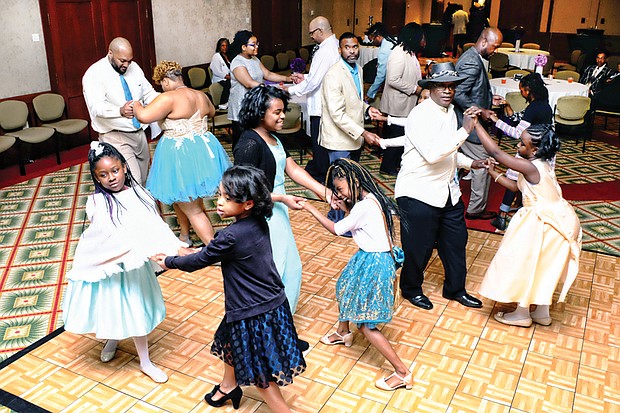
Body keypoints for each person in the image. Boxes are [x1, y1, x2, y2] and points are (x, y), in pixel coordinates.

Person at [152, 165, 305, 412]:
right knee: (229, 340)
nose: (219, 203)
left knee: (260, 374)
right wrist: (187, 252)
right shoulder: (258, 221)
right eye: (220, 195)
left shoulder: (231, 235)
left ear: (247, 204)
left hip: (252, 310)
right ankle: (228, 386)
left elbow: (200, 261)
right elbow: (212, 252)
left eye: (227, 198)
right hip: (269, 303)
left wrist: (169, 261)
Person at [62, 142, 186, 383]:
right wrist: (140, 247)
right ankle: (113, 338)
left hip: (134, 267)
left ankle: (145, 361)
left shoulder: (140, 194)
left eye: (116, 170)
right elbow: (108, 233)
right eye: (104, 175)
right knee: (113, 307)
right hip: (113, 264)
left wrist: (172, 248)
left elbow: (154, 224)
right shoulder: (97, 202)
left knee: (135, 309)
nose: (112, 178)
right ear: (96, 177)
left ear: (125, 168)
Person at [371, 62, 487, 311]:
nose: (447, 91)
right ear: (431, 88)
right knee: (418, 247)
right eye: (441, 86)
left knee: (456, 242)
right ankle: (411, 289)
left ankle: (456, 289)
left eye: (451, 86)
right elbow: (433, 154)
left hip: (447, 191)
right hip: (417, 192)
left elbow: (449, 152)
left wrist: (471, 162)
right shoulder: (420, 115)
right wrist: (465, 132)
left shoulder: (452, 112)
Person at [302, 158, 412, 391]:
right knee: (346, 286)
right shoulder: (371, 199)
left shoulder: (363, 207)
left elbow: (336, 229)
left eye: (340, 189)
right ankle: (343, 332)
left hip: (375, 262)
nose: (339, 195)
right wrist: (344, 207)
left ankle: (402, 372)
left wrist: (311, 208)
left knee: (366, 324)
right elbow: (357, 223)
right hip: (370, 257)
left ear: (354, 182)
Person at [233, 86, 330, 320]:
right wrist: (281, 198)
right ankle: (269, 329)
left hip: (277, 208)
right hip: (262, 213)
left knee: (291, 270)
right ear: (259, 113)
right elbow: (243, 191)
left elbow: (291, 168)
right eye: (277, 112)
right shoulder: (249, 144)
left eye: (283, 110)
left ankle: (282, 325)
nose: (283, 116)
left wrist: (324, 192)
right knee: (273, 272)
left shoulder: (273, 137)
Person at [473, 122, 582, 328]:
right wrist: (492, 173)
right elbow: (516, 187)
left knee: (524, 262)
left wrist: (476, 125)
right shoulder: (541, 164)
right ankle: (542, 312)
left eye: (522, 144)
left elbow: (496, 151)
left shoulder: (531, 166)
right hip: (560, 220)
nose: (518, 147)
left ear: (535, 149)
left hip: (544, 221)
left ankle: (521, 313)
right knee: (544, 266)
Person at [133, 60, 231, 246]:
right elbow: (210, 112)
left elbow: (144, 116)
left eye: (161, 84)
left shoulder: (169, 98)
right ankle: (184, 237)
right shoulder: (200, 95)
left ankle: (215, 251)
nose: (162, 88)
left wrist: (136, 104)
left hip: (181, 154)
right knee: (181, 198)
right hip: (203, 151)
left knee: (193, 207)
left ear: (166, 81)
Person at [320, 32, 382, 226]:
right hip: (339, 139)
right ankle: (338, 221)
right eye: (347, 47)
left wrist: (368, 108)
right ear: (340, 50)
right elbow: (337, 114)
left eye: (355, 47)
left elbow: (355, 100)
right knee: (340, 183)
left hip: (354, 138)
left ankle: (351, 218)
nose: (352, 51)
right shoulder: (333, 74)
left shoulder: (359, 69)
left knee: (353, 181)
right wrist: (364, 133)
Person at [83, 37, 159, 186]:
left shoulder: (134, 68)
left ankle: (142, 207)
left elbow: (148, 93)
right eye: (122, 61)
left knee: (144, 179)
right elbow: (96, 107)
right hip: (115, 135)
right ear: (110, 53)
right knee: (133, 180)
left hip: (139, 132)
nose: (126, 65)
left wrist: (168, 100)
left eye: (129, 61)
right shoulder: (94, 73)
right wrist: (120, 110)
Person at [487, 73, 553, 230]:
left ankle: (502, 216)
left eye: (521, 90)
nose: (521, 93)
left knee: (514, 180)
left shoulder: (534, 107)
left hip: (530, 150)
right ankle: (524, 209)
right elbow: (522, 118)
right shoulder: (544, 104)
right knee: (530, 181)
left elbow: (517, 132)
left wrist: (497, 121)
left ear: (528, 90)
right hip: (544, 147)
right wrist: (508, 107)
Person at [454, 27, 503, 221]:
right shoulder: (472, 62)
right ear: (484, 42)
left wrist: (489, 101)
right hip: (469, 123)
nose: (495, 51)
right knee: (483, 164)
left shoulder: (471, 56)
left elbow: (471, 89)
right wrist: (481, 110)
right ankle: (476, 208)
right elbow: (458, 93)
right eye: (495, 46)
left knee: (459, 161)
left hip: (467, 121)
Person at [284, 16, 339, 183]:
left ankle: (322, 175)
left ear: (320, 31)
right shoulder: (332, 46)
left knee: (320, 143)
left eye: (312, 34)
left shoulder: (325, 50)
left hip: (322, 105)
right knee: (320, 142)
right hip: (326, 101)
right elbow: (318, 76)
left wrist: (290, 90)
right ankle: (320, 169)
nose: (311, 37)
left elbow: (315, 81)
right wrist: (305, 77)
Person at [228, 30, 292, 148]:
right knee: (243, 142)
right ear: (243, 47)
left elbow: (267, 74)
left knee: (257, 139)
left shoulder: (255, 59)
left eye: (257, 44)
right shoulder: (237, 62)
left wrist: (288, 78)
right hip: (241, 107)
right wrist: (270, 89)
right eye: (253, 44)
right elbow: (248, 83)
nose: (256, 47)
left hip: (255, 105)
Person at [378, 22, 425, 176]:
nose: (423, 41)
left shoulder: (409, 52)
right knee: (395, 138)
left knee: (401, 137)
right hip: (397, 104)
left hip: (405, 104)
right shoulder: (398, 53)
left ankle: (395, 164)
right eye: (421, 37)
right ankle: (387, 166)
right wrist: (416, 89)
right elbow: (393, 79)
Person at [364, 22, 398, 103]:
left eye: (372, 41)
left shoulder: (384, 50)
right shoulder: (393, 39)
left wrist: (370, 93)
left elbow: (381, 75)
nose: (372, 43)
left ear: (378, 37)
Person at [210, 38, 232, 106]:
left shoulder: (229, 56)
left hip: (229, 77)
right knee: (230, 83)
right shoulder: (216, 56)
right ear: (219, 46)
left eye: (226, 45)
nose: (225, 48)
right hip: (220, 79)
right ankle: (224, 103)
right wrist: (229, 77)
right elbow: (217, 71)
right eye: (223, 46)